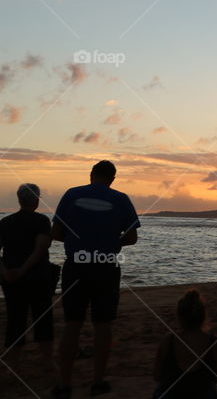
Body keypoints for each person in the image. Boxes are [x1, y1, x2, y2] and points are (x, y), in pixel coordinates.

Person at [52, 160, 140, 398]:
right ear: (113, 178)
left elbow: (56, 232)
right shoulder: (121, 199)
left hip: (76, 265)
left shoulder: (71, 194)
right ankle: (98, 381)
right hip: (106, 266)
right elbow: (132, 237)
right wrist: (110, 243)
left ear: (91, 175)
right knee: (103, 325)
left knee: (72, 324)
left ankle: (64, 384)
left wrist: (77, 242)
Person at [0, 183, 54, 369]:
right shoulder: (41, 221)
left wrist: (5, 271)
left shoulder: (5, 222)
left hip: (11, 279)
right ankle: (47, 361)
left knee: (15, 318)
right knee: (43, 318)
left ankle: (13, 364)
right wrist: (23, 270)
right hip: (38, 277)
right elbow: (40, 249)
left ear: (19, 199)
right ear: (36, 200)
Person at [152, 290, 217, 398]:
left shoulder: (167, 340)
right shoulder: (215, 342)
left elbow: (157, 376)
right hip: (202, 393)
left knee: (161, 387)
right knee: (210, 388)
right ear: (203, 316)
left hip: (172, 394)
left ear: (179, 317)